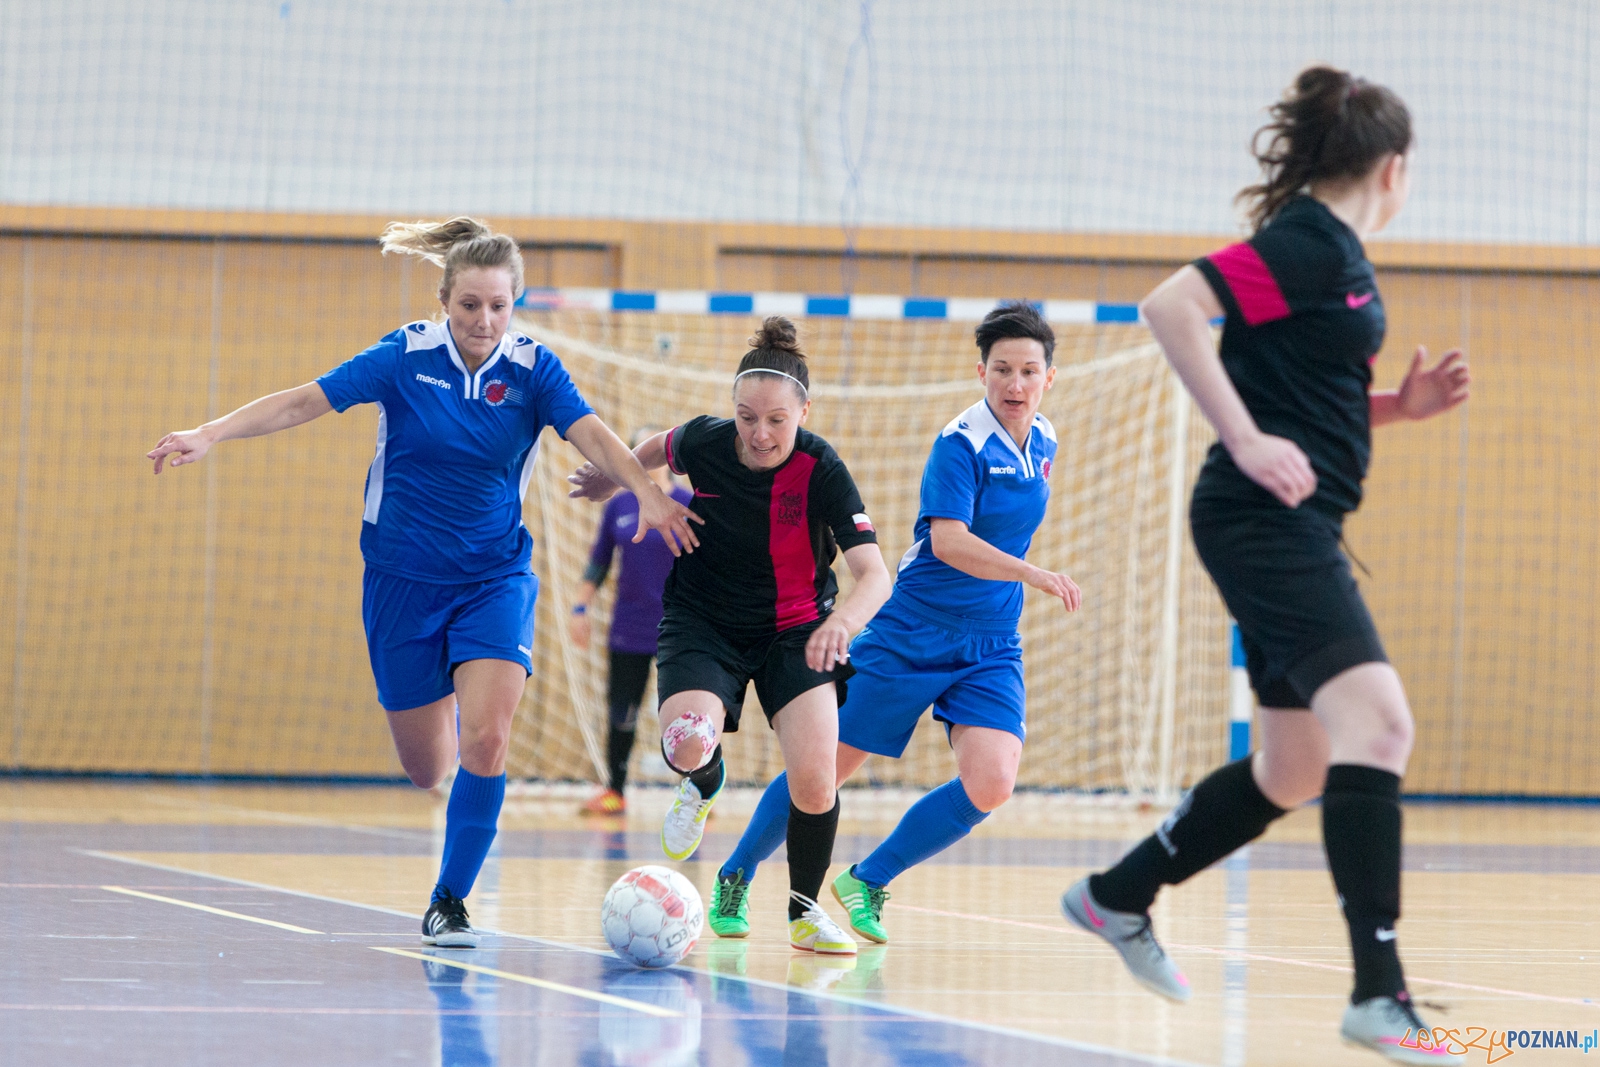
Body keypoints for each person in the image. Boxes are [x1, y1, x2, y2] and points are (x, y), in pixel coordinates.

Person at [1058, 68, 1470, 1065]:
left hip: (1297, 522)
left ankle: (1115, 894)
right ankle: (1380, 994)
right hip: (1259, 519)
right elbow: (1169, 306)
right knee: (1379, 721)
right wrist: (1240, 437)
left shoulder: (1336, 258)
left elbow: (1307, 398)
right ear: (1393, 166)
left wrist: (1397, 411)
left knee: (1294, 766)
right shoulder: (1303, 242)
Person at [146, 217, 699, 950]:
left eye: (498, 306)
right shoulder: (404, 357)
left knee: (489, 735)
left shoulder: (534, 370)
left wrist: (647, 487)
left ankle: (451, 898)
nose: (483, 319)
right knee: (426, 765)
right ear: (445, 298)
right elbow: (304, 399)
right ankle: (438, 700)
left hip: (494, 577)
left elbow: (591, 432)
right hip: (401, 582)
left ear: (515, 304)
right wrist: (211, 432)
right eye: (469, 304)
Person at [706, 302, 1081, 945]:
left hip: (990, 641)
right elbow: (947, 543)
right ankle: (736, 874)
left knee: (992, 781)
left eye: (1027, 371)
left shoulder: (1042, 440)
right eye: (1000, 370)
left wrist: (1014, 586)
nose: (1013, 384)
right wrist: (1030, 573)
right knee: (820, 769)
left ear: (1048, 378)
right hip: (913, 629)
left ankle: (868, 879)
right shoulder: (960, 443)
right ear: (982, 373)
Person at [569, 317, 892, 956]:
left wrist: (842, 623)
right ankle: (707, 780)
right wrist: (617, 480)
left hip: (797, 630)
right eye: (747, 417)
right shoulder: (707, 442)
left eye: (776, 419)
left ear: (804, 409)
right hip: (704, 621)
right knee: (687, 744)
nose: (760, 433)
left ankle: (803, 912)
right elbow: (655, 450)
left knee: (814, 777)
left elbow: (875, 575)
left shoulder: (821, 467)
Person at [570, 427, 694, 815]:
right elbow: (599, 563)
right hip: (629, 628)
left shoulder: (688, 503)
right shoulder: (619, 507)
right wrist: (579, 609)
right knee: (621, 712)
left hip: (681, 629)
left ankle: (694, 795)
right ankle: (615, 790)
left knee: (688, 715)